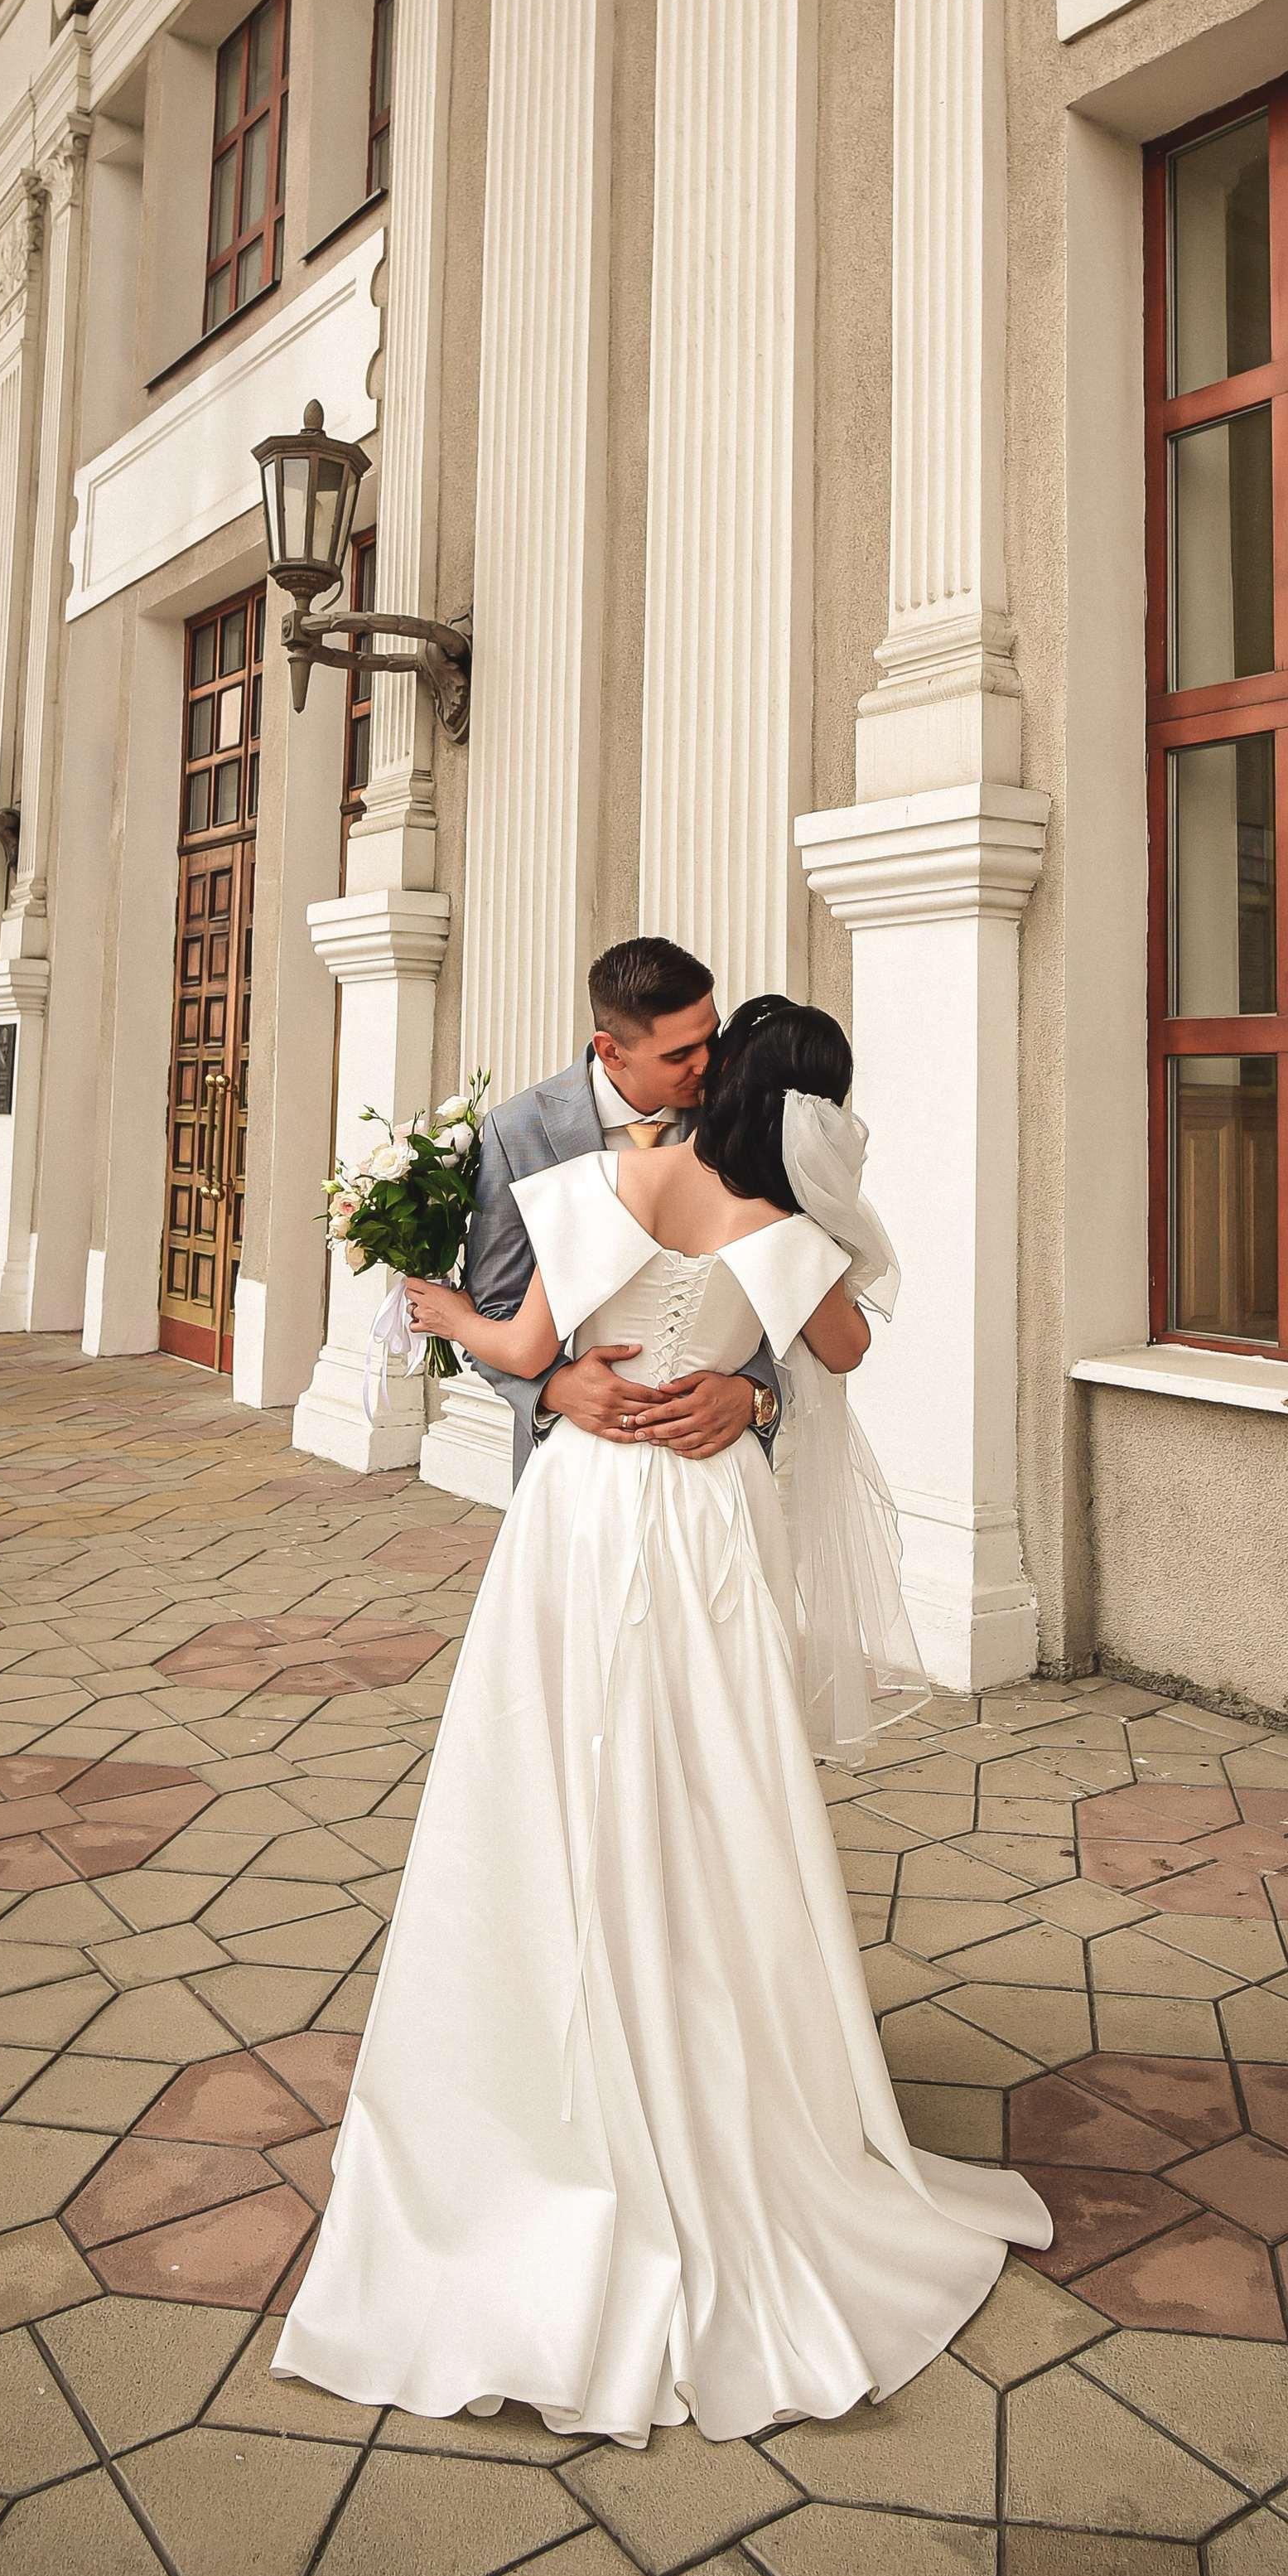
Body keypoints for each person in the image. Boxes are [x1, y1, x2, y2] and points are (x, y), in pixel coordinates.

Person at [272, 993, 1051, 2445]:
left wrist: (441, 1312)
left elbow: (525, 1345)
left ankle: (546, 2078)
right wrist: (755, 1367)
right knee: (716, 1788)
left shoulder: (604, 1180)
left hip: (583, 1513)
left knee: (549, 1773)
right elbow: (845, 1358)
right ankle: (722, 2070)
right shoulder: (799, 1231)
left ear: (718, 1074)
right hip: (704, 1525)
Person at [458, 936, 782, 1485]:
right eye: (679, 1055)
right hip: (575, 1466)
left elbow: (790, 1279)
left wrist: (752, 1391)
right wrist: (555, 1389)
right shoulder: (519, 1131)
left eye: (712, 1038)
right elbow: (495, 1305)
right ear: (611, 1051)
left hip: (717, 1467)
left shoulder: (751, 1116)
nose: (707, 1065)